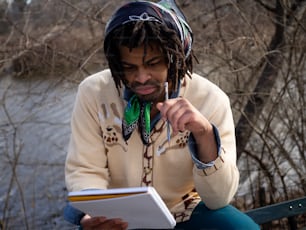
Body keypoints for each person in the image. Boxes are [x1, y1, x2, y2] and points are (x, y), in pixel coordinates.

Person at [64, 0, 260, 229]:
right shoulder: (93, 92)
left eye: (153, 63)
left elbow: (219, 198)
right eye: (129, 67)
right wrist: (92, 214)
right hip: (118, 216)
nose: (141, 77)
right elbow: (85, 170)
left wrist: (204, 133)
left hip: (185, 212)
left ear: (176, 57)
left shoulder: (210, 99)